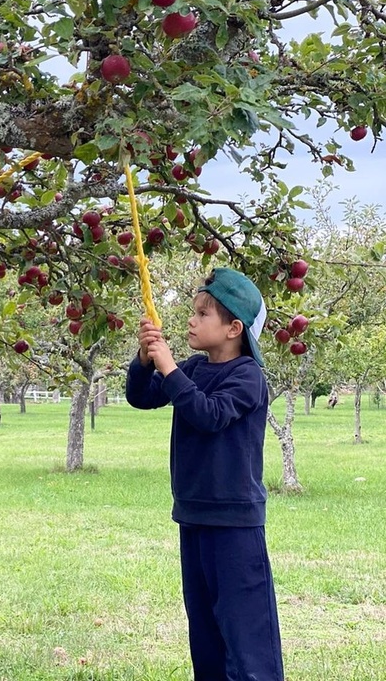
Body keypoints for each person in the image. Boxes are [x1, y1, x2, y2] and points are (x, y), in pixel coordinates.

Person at [126, 267, 284, 681]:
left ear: (234, 328)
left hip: (235, 524)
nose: (191, 320)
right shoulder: (195, 369)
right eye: (193, 311)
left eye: (202, 313)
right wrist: (145, 361)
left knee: (246, 634)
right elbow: (142, 397)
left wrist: (168, 366)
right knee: (206, 633)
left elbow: (209, 415)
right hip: (193, 516)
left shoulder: (247, 376)